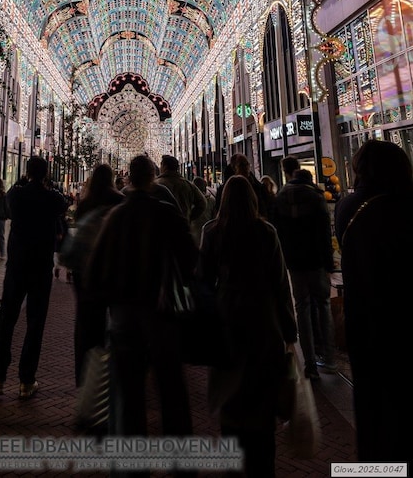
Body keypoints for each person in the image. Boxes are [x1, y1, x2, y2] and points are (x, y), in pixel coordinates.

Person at [86, 154, 198, 458]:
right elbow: (191, 262)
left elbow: (94, 273)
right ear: (152, 177)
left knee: (130, 400)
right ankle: (181, 462)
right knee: (172, 395)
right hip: (163, 318)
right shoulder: (167, 214)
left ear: (130, 178)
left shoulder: (116, 216)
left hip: (124, 322)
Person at [199, 175, 297, 478]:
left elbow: (203, 282)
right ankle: (262, 465)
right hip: (263, 322)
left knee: (230, 399)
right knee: (262, 398)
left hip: (227, 320)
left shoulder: (213, 232)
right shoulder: (266, 232)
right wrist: (289, 330)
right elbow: (281, 283)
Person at [335, 139, 413, 462]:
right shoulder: (403, 208)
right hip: (401, 321)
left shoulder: (346, 207)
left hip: (362, 322)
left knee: (370, 408)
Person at [0, 156, 69, 399]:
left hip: (17, 266)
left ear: (27, 172)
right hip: (41, 267)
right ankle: (27, 381)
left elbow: (9, 202)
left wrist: (25, 183)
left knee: (7, 319)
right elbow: (63, 203)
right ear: (46, 174)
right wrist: (48, 186)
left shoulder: (16, 195)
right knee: (35, 324)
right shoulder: (52, 198)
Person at [62, 163, 124, 386]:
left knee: (86, 322)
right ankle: (111, 376)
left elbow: (77, 233)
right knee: (116, 321)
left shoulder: (85, 203)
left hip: (85, 271)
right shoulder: (119, 200)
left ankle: (84, 378)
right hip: (112, 269)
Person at [274, 167, 336, 380]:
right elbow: (325, 233)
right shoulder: (316, 197)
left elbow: (278, 231)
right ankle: (329, 357)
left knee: (302, 308)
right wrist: (329, 265)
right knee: (324, 305)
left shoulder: (280, 197)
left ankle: (309, 362)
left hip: (294, 263)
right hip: (316, 261)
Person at [157, 154, 207, 227]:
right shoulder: (187, 184)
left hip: (161, 227)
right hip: (183, 226)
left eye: (161, 165)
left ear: (165, 166)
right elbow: (202, 203)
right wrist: (189, 216)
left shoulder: (157, 184)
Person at [190, 176, 216, 245]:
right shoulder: (212, 200)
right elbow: (214, 218)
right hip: (207, 236)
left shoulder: (190, 201)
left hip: (193, 238)